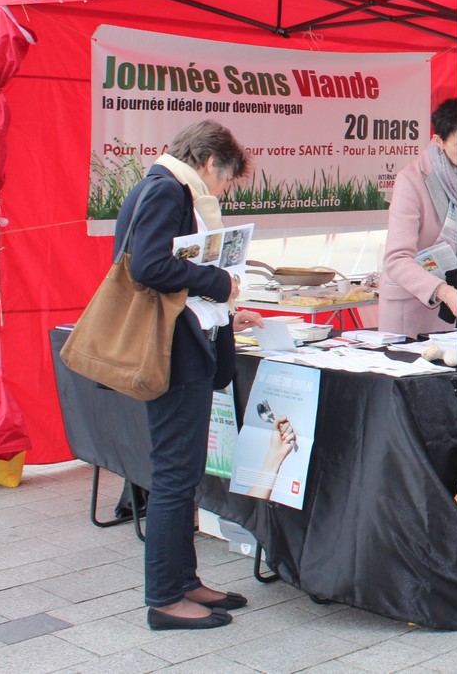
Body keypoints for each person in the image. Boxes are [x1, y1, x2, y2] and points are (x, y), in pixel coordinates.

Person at [117, 120, 264, 630]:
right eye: (226, 181)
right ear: (208, 163)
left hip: (188, 343)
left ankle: (184, 581)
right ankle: (163, 597)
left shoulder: (168, 186)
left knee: (184, 474)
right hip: (173, 352)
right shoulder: (164, 188)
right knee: (175, 475)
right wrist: (219, 280)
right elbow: (149, 266)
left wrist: (223, 310)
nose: (224, 191)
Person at [381, 101, 457, 335]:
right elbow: (397, 258)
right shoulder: (411, 179)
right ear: (439, 141)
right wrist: (444, 291)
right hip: (412, 306)